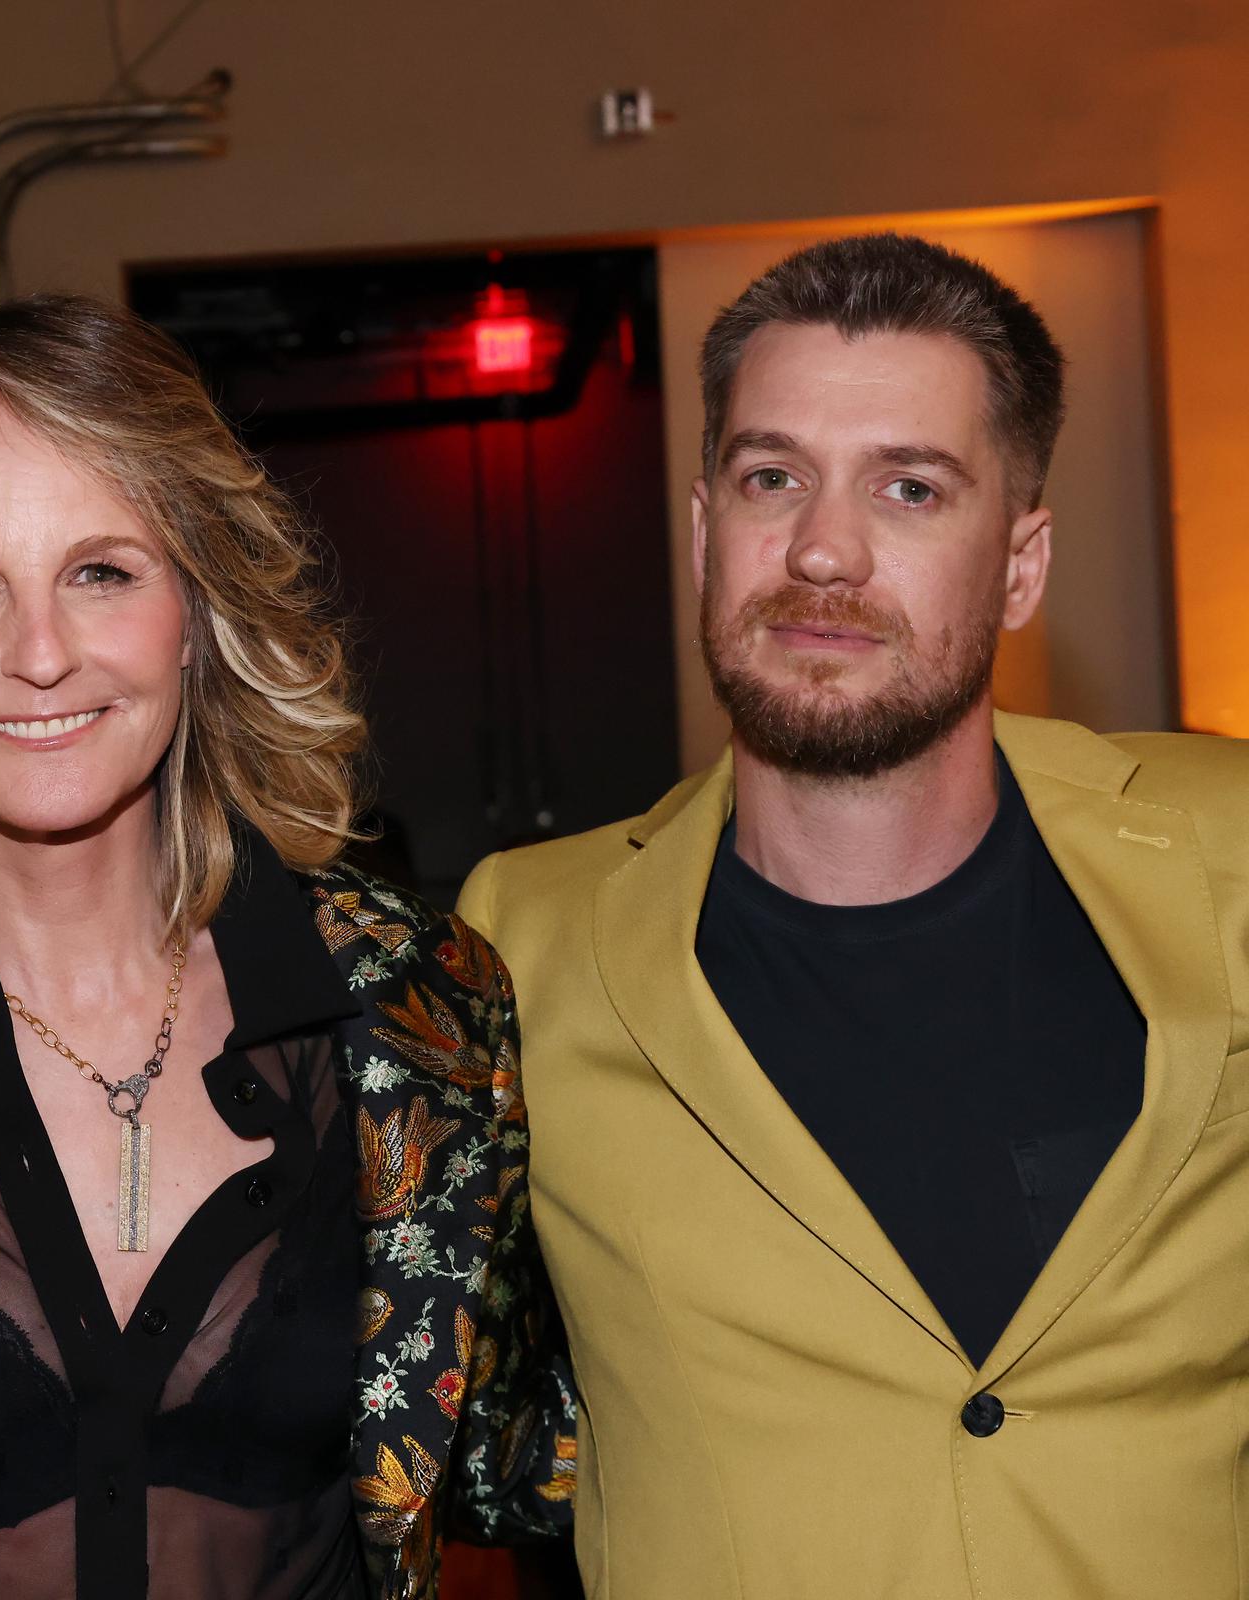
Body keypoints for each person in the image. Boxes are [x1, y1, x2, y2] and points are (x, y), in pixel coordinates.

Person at [0, 295, 575, 1600]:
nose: (42, 655)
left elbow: (531, 1454)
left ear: (197, 605)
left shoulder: (422, 1004)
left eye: (101, 572)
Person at [458, 234, 1249, 1597]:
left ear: (1020, 563)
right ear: (708, 531)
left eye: (910, 487)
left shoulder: (1224, 848)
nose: (824, 550)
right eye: (774, 478)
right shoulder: (518, 943)